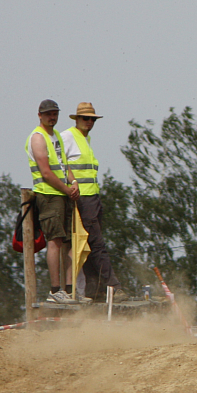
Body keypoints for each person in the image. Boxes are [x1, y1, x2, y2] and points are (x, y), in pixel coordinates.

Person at [61, 101, 121, 300]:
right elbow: (59, 164)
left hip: (92, 198)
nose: (89, 122)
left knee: (88, 246)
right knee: (96, 244)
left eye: (93, 119)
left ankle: (94, 292)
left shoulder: (85, 139)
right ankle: (113, 287)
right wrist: (72, 184)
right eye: (85, 118)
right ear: (77, 119)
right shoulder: (68, 137)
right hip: (82, 200)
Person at [26, 98, 79, 303]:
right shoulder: (38, 138)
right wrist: (67, 189)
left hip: (62, 194)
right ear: (40, 115)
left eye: (55, 113)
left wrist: (73, 182)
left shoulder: (56, 135)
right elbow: (46, 173)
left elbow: (64, 166)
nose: (52, 117)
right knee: (55, 240)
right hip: (48, 194)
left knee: (69, 241)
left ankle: (69, 290)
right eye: (48, 114)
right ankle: (55, 290)